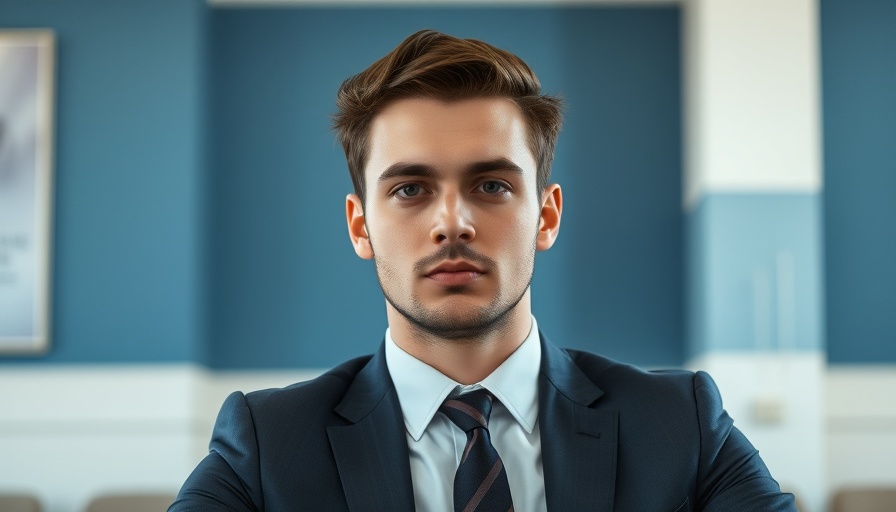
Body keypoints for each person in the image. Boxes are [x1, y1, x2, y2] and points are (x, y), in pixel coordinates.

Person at [170, 29, 796, 511]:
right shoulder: (268, 445)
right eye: (410, 189)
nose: (452, 223)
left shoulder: (679, 423)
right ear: (360, 226)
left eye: (492, 184)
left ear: (546, 216)